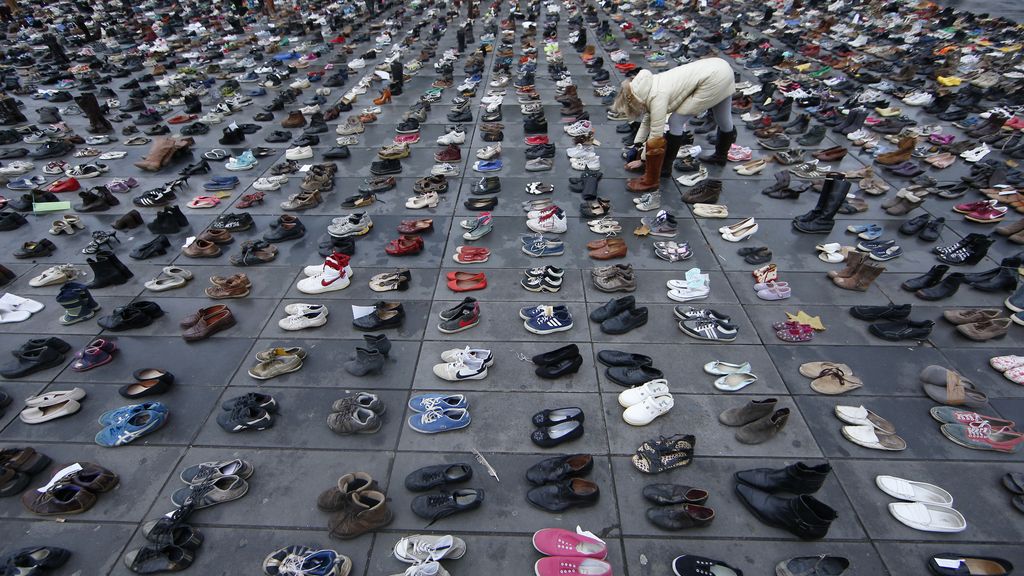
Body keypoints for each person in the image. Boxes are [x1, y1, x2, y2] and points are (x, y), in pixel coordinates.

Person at [612, 57, 736, 192]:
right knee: (723, 118)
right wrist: (637, 146)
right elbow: (647, 119)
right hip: (721, 68)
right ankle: (721, 156)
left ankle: (662, 170)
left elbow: (656, 136)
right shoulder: (647, 85)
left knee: (675, 121)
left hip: (714, 77)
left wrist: (643, 161)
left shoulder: (657, 96)